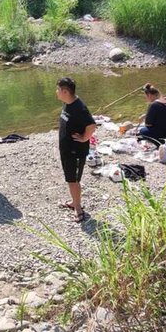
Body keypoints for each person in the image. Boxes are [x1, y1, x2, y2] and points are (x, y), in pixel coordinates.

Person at [56, 77, 96, 223]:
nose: (56, 92)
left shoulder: (80, 108)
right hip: (66, 150)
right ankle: (74, 202)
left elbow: (91, 126)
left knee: (74, 181)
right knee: (70, 179)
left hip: (75, 152)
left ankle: (78, 208)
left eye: (58, 89)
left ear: (65, 91)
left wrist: (85, 138)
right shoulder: (68, 103)